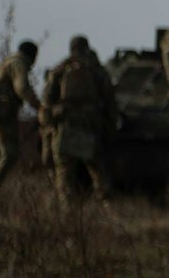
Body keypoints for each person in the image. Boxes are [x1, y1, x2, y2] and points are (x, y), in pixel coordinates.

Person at [41, 35, 119, 202]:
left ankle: (66, 210)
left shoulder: (59, 69)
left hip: (65, 126)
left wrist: (49, 125)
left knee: (64, 171)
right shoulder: (97, 70)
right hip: (89, 125)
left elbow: (47, 100)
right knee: (98, 170)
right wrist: (110, 126)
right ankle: (107, 207)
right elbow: (110, 101)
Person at [0, 39, 41, 199]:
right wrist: (39, 107)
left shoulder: (6, 62)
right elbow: (22, 88)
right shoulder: (19, 63)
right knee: (8, 154)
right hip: (3, 113)